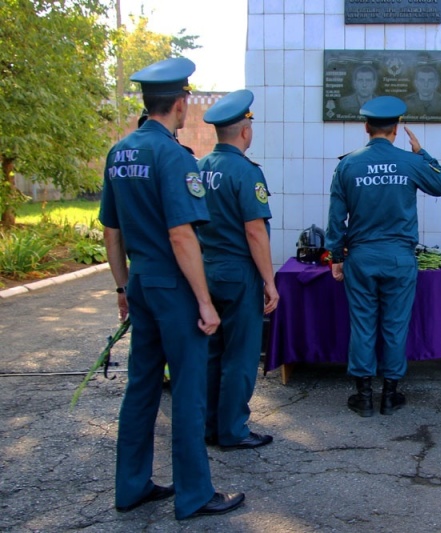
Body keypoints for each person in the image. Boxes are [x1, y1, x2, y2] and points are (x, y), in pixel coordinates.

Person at [99, 57, 245, 520]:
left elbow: (111, 232)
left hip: (141, 282)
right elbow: (182, 235)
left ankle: (131, 486)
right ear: (181, 103)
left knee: (141, 387)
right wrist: (205, 302)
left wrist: (122, 287)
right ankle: (194, 495)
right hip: (173, 288)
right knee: (187, 389)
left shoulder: (119, 152)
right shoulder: (174, 156)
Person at [326, 96, 441, 417]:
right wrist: (421, 153)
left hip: (362, 259)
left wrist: (336, 257)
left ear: (366, 127)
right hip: (399, 259)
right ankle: (390, 396)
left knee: (363, 325)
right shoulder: (410, 163)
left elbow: (335, 218)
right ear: (396, 129)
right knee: (395, 326)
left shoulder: (348, 164)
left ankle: (364, 397)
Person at [196, 89, 279, 449]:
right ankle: (233, 431)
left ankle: (210, 425)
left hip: (204, 270)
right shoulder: (246, 173)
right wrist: (269, 281)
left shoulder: (198, 168)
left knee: (212, 353)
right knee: (241, 355)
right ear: (245, 131)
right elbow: (254, 231)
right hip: (237, 273)